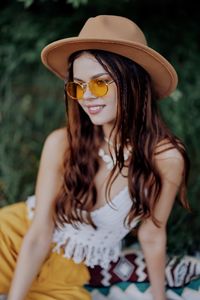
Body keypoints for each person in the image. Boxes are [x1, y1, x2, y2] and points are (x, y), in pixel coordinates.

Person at [0, 15, 190, 300]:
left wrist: (159, 297)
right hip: (15, 238)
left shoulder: (166, 158)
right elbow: (39, 233)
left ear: (133, 84)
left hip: (66, 271)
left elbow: (152, 235)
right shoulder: (62, 143)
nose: (86, 96)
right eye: (78, 86)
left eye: (100, 83)